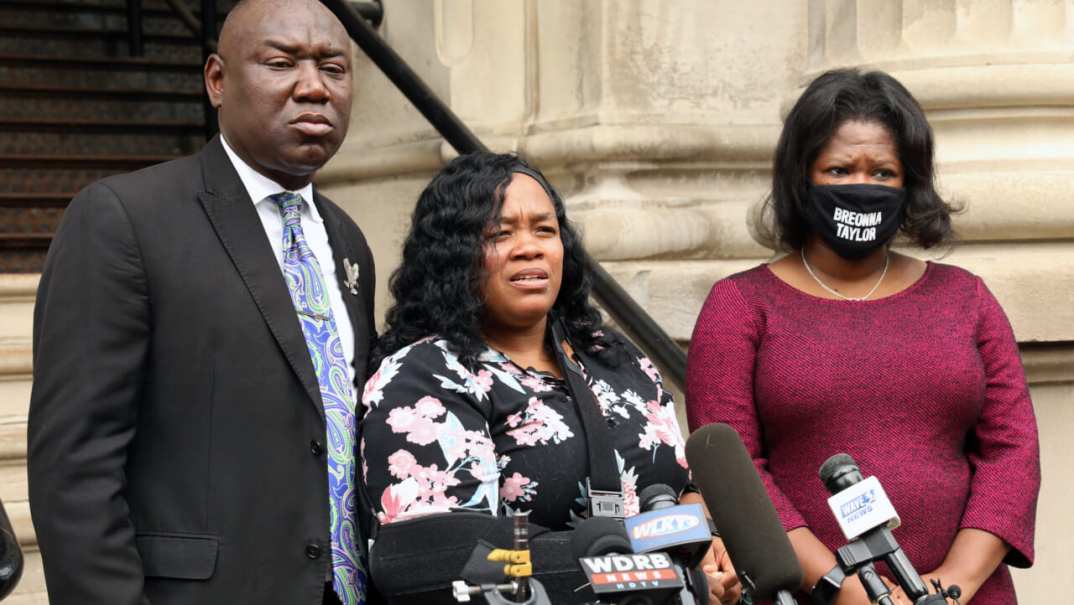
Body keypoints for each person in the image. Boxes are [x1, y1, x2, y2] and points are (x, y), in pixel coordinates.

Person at [27, 1, 376, 603]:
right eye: (281, 63)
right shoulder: (124, 220)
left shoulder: (347, 240)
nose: (313, 88)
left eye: (333, 68)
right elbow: (74, 469)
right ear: (217, 80)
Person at [685, 68, 1040, 605]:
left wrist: (951, 586)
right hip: (812, 594)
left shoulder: (966, 298)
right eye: (840, 168)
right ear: (801, 178)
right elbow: (737, 478)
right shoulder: (739, 306)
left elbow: (1012, 452)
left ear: (910, 182)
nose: (863, 185)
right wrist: (848, 592)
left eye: (883, 172)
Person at [358, 152, 740, 604]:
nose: (530, 247)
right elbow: (446, 561)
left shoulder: (615, 358)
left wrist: (706, 536)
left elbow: (670, 488)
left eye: (544, 230)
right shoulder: (423, 380)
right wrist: (657, 579)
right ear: (451, 256)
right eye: (500, 234)